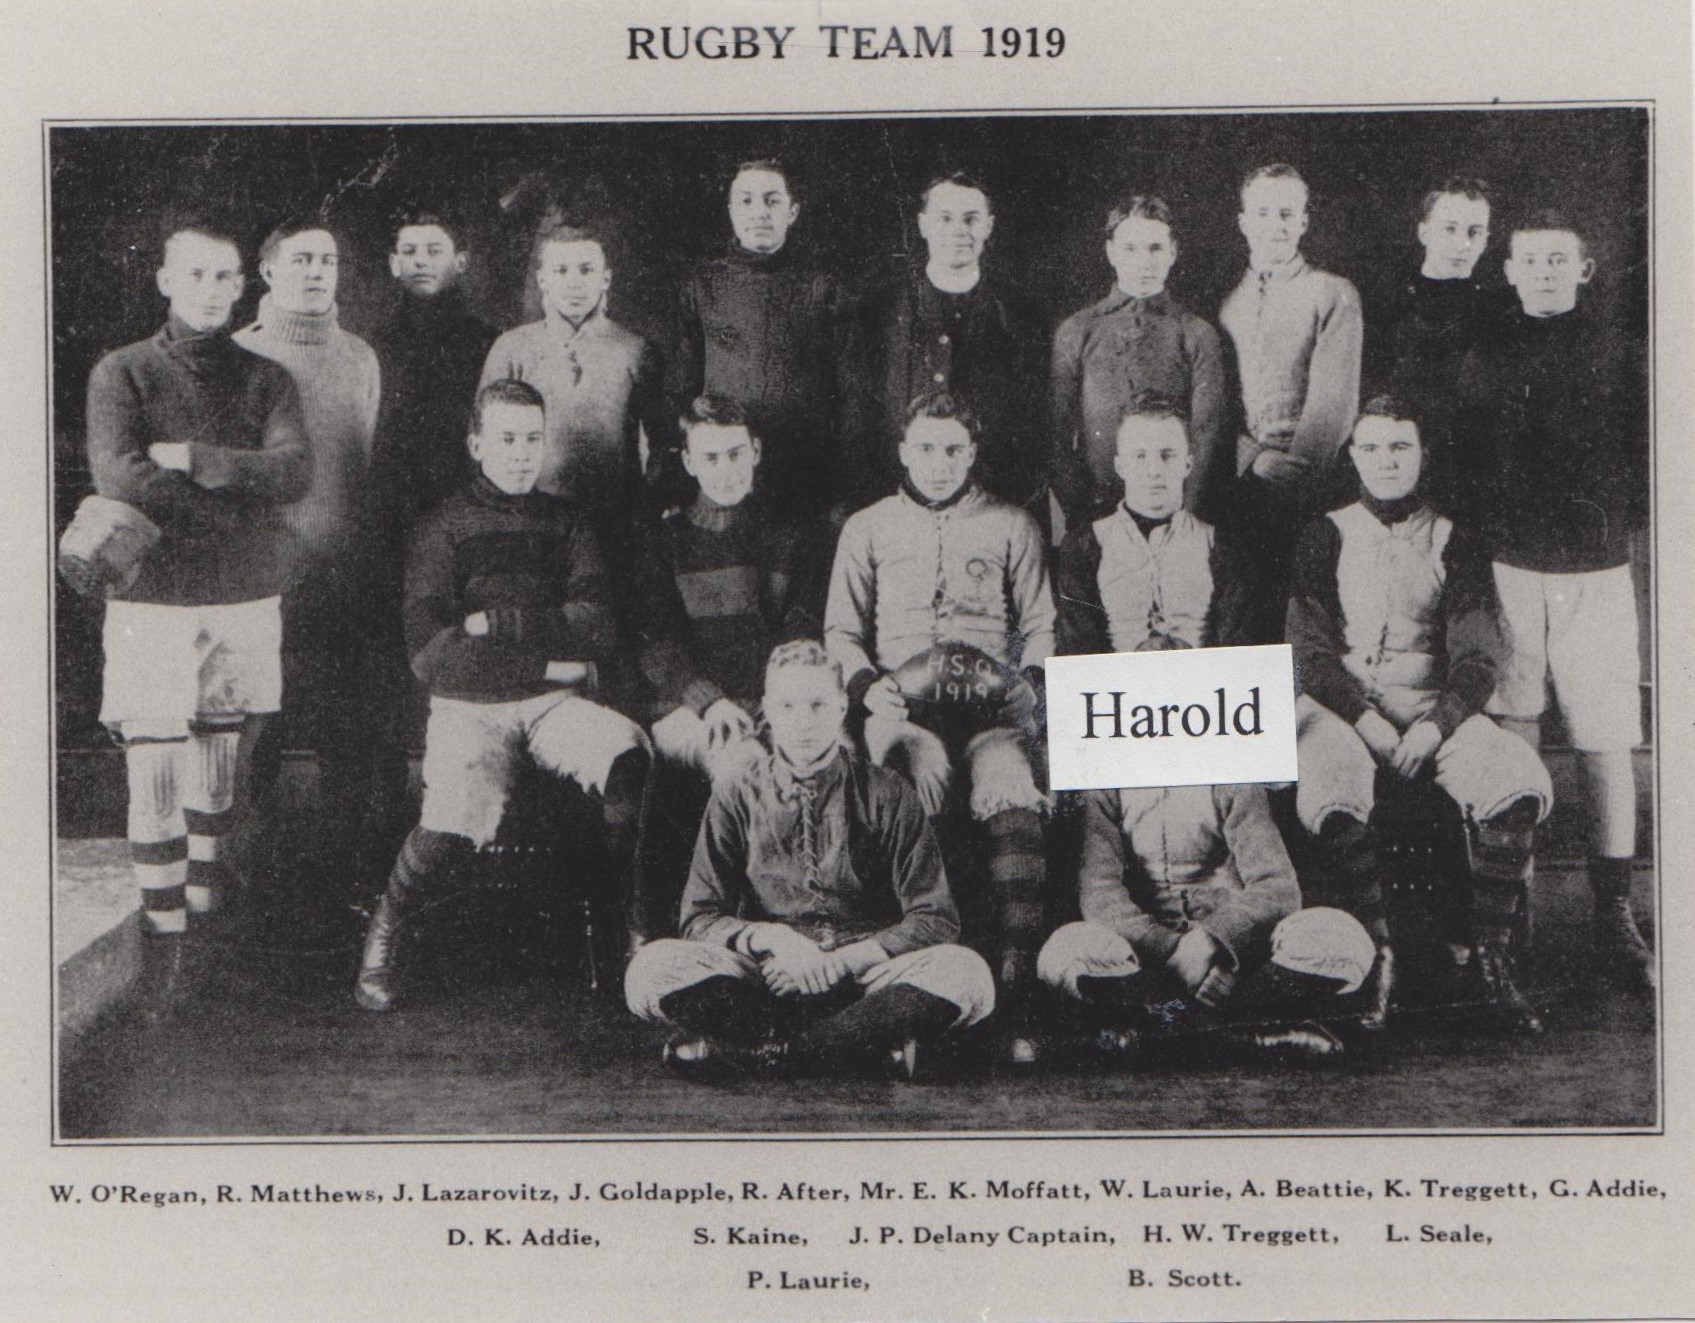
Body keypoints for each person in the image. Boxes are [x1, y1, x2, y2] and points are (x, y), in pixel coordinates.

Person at [353, 378, 651, 1012]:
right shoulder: (441, 528)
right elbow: (434, 655)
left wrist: (497, 626)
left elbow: (597, 624)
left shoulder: (568, 523)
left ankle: (634, 935)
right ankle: (385, 939)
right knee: (453, 813)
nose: (521, 453)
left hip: (552, 706)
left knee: (626, 757)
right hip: (472, 709)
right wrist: (554, 661)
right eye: (507, 440)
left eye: (533, 440)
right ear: (477, 444)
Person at [82, 219, 309, 997]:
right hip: (154, 599)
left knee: (218, 769)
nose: (214, 291)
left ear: (244, 284)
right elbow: (120, 477)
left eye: (227, 277)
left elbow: (293, 472)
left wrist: (200, 460)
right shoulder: (124, 372)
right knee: (155, 765)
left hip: (243, 597)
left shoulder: (267, 378)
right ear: (167, 281)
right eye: (199, 275)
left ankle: (204, 937)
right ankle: (166, 950)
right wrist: (237, 506)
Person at [1287, 396, 1554, 1030]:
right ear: (1352, 456)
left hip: (1436, 708)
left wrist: (1438, 723)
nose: (1386, 460)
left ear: (1422, 455)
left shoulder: (1453, 537)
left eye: (1400, 447)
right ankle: (1382, 955)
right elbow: (1309, 650)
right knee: (1328, 791)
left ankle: (1491, 962)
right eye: (1372, 447)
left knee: (1517, 782)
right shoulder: (1324, 533)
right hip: (1343, 709)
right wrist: (1366, 718)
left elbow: (1477, 653)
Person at [624, 640, 994, 1080]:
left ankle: (778, 1051)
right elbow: (700, 916)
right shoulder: (737, 793)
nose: (802, 722)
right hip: (770, 976)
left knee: (968, 974)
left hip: (867, 978)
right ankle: (857, 1050)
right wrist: (775, 941)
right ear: (767, 710)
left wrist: (840, 962)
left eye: (818, 705)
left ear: (841, 707)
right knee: (648, 970)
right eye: (787, 705)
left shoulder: (887, 792)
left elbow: (935, 918)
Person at [1455, 211, 1652, 995]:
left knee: (1605, 737)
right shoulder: (1483, 354)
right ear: (1507, 270)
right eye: (1528, 260)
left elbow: (1651, 459)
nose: (1542, 271)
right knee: (1516, 725)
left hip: (1595, 569)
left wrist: (1599, 523)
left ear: (1585, 269)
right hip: (1510, 565)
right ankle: (1519, 903)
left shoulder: (1620, 353)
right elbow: (1468, 461)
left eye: (1557, 259)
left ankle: (1613, 908)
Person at [825, 392, 1054, 1063]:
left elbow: (1039, 621)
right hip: (905, 709)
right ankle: (906, 974)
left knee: (1011, 789)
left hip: (988, 713)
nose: (938, 462)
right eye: (924, 447)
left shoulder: (1011, 524)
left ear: (973, 452)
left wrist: (1026, 685)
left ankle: (1017, 982)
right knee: (898, 784)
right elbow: (840, 629)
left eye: (952, 448)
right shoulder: (866, 527)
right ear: (902, 451)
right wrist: (871, 690)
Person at [233, 217, 397, 895]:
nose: (315, 272)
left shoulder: (360, 356)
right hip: (266, 578)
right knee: (255, 733)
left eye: (326, 260)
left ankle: (338, 888)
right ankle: (245, 883)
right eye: (299, 260)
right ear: (268, 271)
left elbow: (355, 465)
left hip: (347, 578)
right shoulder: (237, 353)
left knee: (349, 734)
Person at [1037, 784, 1372, 1064]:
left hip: (1238, 963)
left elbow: (1277, 889)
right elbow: (1100, 895)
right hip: (1149, 968)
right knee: (1064, 950)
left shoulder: (1235, 777)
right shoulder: (1106, 783)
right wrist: (1171, 949)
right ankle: (1244, 1036)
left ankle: (1174, 1035)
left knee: (1342, 937)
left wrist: (1213, 941)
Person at [635, 395, 822, 788]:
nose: (726, 471)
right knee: (748, 771)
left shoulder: (790, 536)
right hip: (689, 704)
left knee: (830, 764)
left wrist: (784, 701)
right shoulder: (664, 541)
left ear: (755, 451)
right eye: (711, 458)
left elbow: (801, 629)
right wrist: (709, 701)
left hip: (776, 701)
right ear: (689, 463)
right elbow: (656, 641)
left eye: (736, 454)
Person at [842, 172, 1047, 515]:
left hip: (992, 505)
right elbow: (859, 416)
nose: (959, 231)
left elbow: (1034, 423)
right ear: (923, 225)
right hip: (898, 501)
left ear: (989, 226)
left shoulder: (1019, 314)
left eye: (971, 219)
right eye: (945, 218)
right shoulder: (880, 311)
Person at [1218, 164, 1363, 641]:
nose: (1275, 225)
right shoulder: (1227, 302)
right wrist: (1251, 458)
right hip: (1243, 484)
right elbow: (1220, 400)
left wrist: (1294, 471)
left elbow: (1334, 404)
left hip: (1312, 488)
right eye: (1262, 213)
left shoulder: (1331, 292)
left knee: (1305, 618)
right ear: (1243, 221)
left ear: (1303, 221)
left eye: (1286, 213)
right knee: (1245, 615)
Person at [480, 222, 677, 552]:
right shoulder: (512, 348)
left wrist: (647, 507)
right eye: (561, 270)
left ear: (606, 279)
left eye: (586, 270)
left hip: (614, 523)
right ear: (543, 280)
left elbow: (662, 442)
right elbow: (485, 439)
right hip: (531, 521)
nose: (574, 283)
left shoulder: (635, 350)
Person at [667, 159, 843, 519]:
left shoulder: (823, 287)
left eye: (772, 200)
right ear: (731, 210)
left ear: (792, 211)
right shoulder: (702, 287)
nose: (759, 212)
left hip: (805, 471)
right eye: (746, 201)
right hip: (724, 470)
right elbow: (681, 388)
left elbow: (848, 393)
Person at [1050, 196, 1228, 529]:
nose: (1143, 262)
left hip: (1176, 513)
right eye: (1130, 249)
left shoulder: (1195, 334)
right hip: (1097, 511)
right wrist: (1083, 521)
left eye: (1155, 248)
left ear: (1173, 252)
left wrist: (1185, 519)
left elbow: (1206, 436)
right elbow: (1058, 437)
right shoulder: (1078, 331)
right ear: (1111, 252)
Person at [1053, 396, 1252, 656]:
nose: (1154, 470)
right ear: (1120, 466)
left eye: (1167, 455)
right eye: (1140, 455)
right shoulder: (1085, 545)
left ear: (1188, 464)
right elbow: (1078, 655)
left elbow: (1239, 655)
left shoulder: (1220, 544)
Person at [1371, 177, 1502, 511]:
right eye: (1450, 229)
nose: (1463, 244)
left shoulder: (1499, 311)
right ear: (1424, 233)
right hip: (1393, 474)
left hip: (1470, 477)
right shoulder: (1386, 305)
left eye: (1475, 232)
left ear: (1487, 239)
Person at [367, 207, 500, 534]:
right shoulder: (375, 346)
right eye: (409, 252)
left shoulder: (488, 343)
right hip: (392, 510)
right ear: (394, 264)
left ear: (461, 262)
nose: (421, 261)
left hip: (468, 504)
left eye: (434, 251)